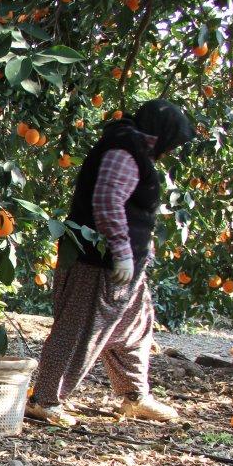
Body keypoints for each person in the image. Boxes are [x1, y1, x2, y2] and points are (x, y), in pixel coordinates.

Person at [26, 99, 195, 427]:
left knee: (134, 328)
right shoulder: (125, 150)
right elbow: (106, 200)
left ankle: (134, 397)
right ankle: (44, 400)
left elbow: (129, 207)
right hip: (97, 264)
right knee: (79, 331)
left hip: (122, 266)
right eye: (173, 143)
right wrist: (120, 251)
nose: (172, 151)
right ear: (161, 135)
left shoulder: (134, 149)